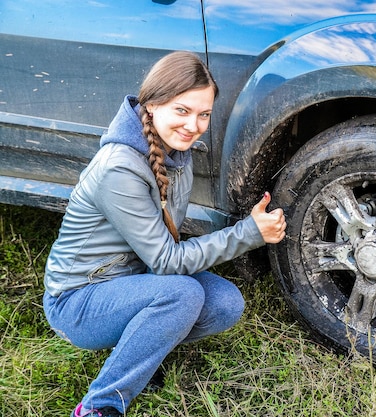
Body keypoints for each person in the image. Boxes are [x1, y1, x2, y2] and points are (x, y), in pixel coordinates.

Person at [42, 51, 286, 417]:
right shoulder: (119, 169)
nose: (195, 125)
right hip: (77, 302)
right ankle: (100, 406)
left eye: (204, 114)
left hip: (133, 280)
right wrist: (249, 232)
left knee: (224, 303)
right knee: (182, 294)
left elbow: (163, 246)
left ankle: (138, 346)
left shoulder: (175, 152)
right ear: (152, 105)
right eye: (183, 111)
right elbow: (167, 261)